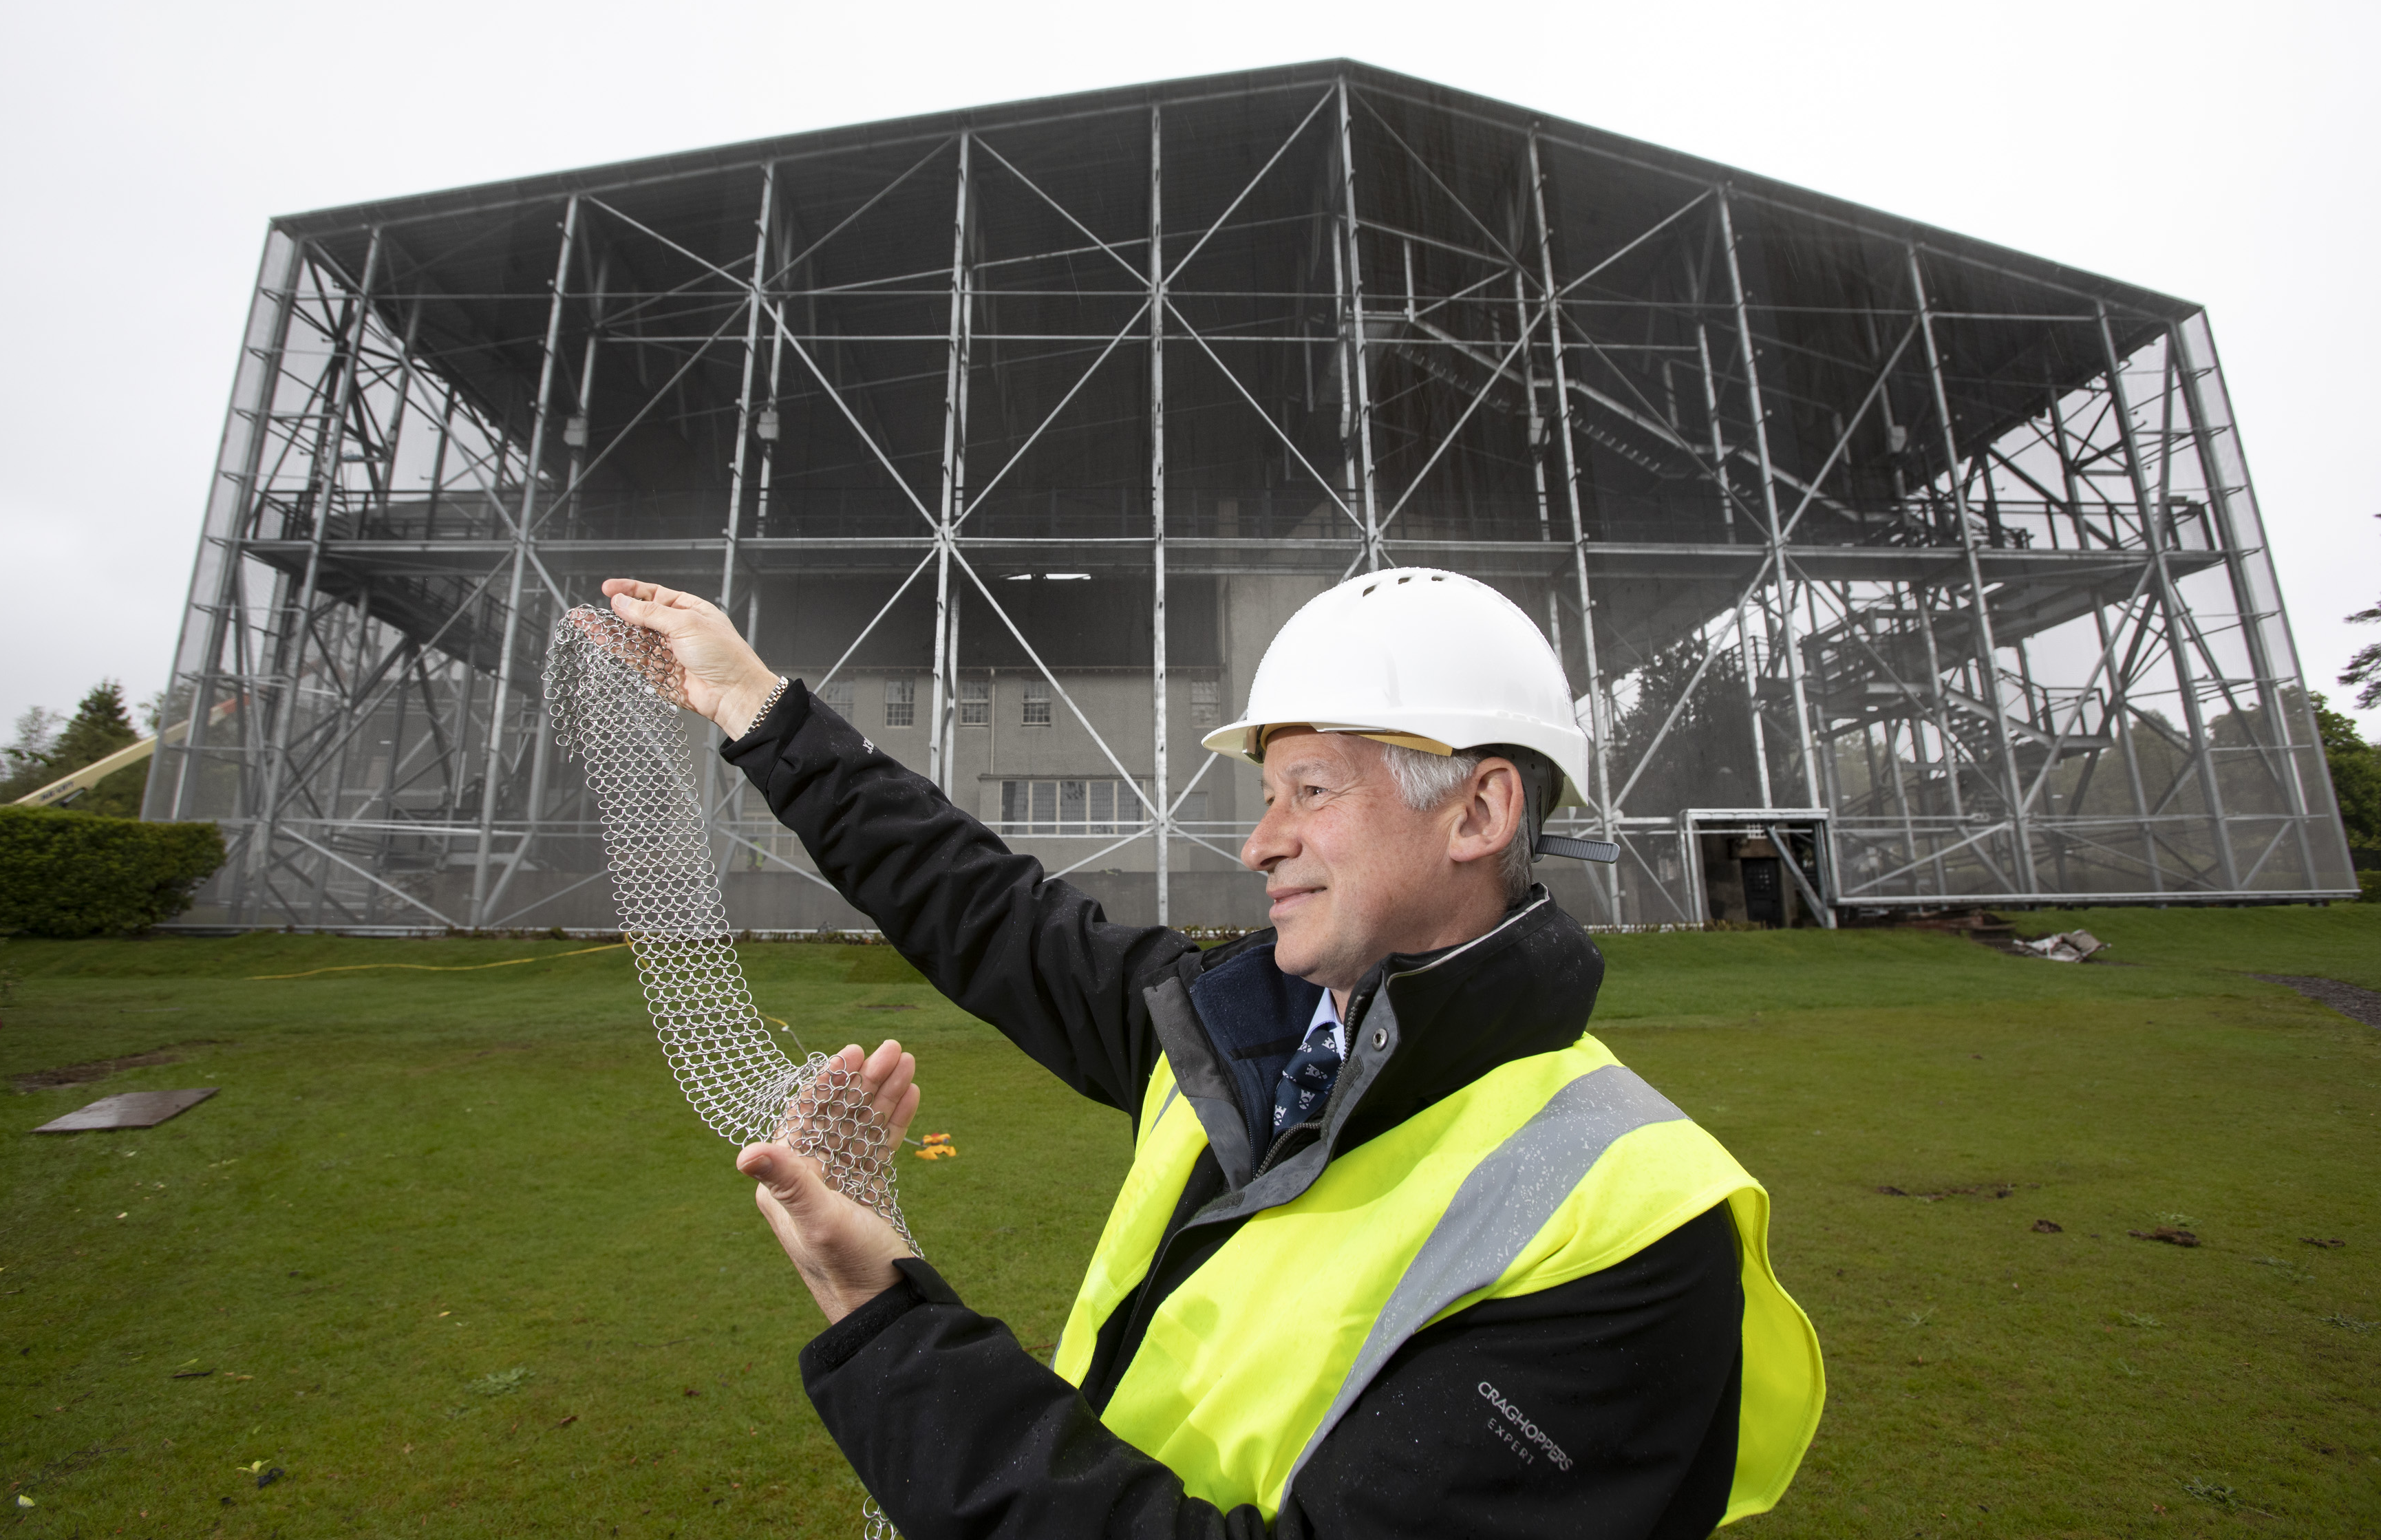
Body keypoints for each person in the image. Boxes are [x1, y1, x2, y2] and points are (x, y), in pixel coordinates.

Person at [601, 566, 1823, 1539]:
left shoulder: (1636, 1233)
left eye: (1309, 790)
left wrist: (884, 1321)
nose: (1261, 843)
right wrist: (761, 712)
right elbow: (984, 905)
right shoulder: (1245, 1032)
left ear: (1480, 812)